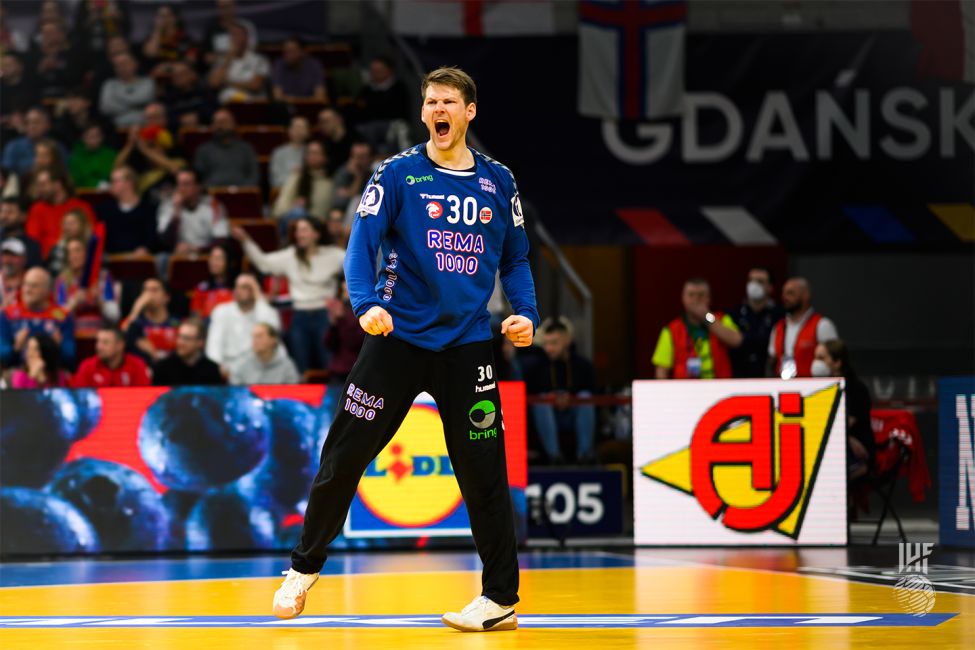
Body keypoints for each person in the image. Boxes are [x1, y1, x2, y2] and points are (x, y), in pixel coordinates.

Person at [270, 66, 538, 633]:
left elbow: (515, 258)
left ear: (469, 112)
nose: (436, 110)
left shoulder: (499, 182)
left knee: (484, 472)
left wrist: (526, 313)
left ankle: (500, 599)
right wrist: (366, 303)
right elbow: (359, 247)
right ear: (423, 113)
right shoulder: (395, 175)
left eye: (447, 102)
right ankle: (303, 569)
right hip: (396, 339)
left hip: (468, 345)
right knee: (344, 455)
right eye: (428, 102)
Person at [233, 216, 343, 374]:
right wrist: (246, 241)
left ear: (317, 234)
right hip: (299, 316)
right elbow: (264, 264)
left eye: (304, 229)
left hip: (325, 315)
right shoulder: (290, 256)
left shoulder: (335, 255)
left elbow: (358, 265)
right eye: (297, 230)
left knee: (330, 365)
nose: (298, 234)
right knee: (300, 368)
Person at [524, 319, 597, 465]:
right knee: (542, 400)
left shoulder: (583, 366)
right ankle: (554, 456)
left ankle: (583, 456)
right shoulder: (535, 368)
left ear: (567, 341)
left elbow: (595, 397)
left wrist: (571, 399)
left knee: (585, 396)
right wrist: (551, 399)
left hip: (573, 416)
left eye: (554, 343)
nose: (549, 348)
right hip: (547, 419)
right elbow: (526, 401)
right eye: (546, 343)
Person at [652, 278, 743, 379]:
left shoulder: (721, 319)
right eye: (691, 295)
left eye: (701, 295)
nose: (695, 300)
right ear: (683, 298)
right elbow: (661, 370)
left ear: (709, 298)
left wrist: (707, 317)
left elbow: (737, 340)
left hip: (720, 389)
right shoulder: (671, 329)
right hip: (685, 391)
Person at [813, 339, 875, 482]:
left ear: (837, 363)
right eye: (815, 357)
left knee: (820, 476)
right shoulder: (818, 389)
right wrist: (849, 439)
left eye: (821, 358)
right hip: (834, 448)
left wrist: (848, 438)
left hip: (856, 455)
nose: (815, 362)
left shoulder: (856, 389)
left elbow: (840, 427)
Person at [205, 272, 281, 375]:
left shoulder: (264, 311)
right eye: (236, 286)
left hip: (260, 367)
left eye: (244, 287)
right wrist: (217, 367)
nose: (238, 290)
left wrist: (259, 296)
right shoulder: (221, 311)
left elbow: (273, 328)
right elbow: (214, 345)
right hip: (229, 367)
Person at [0, 266, 74, 367]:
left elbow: (71, 356)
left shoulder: (61, 316)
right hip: (17, 374)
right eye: (25, 284)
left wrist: (58, 346)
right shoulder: (9, 314)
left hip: (52, 374)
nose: (27, 290)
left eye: (34, 285)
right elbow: (1, 352)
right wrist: (15, 347)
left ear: (47, 289)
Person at [766, 277, 839, 379]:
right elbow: (771, 363)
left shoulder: (821, 325)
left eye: (790, 293)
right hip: (783, 389)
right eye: (783, 293)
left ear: (806, 296)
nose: (784, 297)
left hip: (813, 389)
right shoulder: (779, 327)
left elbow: (835, 363)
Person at [113, 105, 187, 198]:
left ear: (164, 119)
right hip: (143, 201)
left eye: (154, 117)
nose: (151, 122)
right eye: (148, 118)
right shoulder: (140, 144)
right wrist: (129, 145)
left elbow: (178, 169)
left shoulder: (172, 141)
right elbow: (117, 170)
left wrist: (144, 149)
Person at [54, 236, 119, 336]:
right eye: (70, 252)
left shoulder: (103, 277)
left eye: (77, 251)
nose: (73, 256)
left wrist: (99, 300)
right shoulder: (62, 281)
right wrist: (74, 303)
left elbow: (115, 316)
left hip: (100, 336)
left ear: (87, 253)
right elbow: (57, 316)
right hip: (73, 338)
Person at [727, 265, 785, 378]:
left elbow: (773, 344)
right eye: (751, 280)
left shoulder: (780, 314)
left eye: (760, 281)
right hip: (738, 379)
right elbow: (731, 340)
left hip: (768, 379)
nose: (754, 285)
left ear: (770, 288)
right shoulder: (733, 314)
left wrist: (743, 340)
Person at [25, 168, 96, 258]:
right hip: (48, 262)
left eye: (43, 185)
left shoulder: (81, 207)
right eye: (38, 185)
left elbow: (92, 236)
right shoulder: (36, 209)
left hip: (81, 259)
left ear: (57, 184)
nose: (39, 189)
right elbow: (32, 242)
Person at [156, 168, 229, 253]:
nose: (181, 189)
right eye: (178, 184)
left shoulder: (213, 206)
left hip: (206, 256)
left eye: (186, 184)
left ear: (198, 187)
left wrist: (195, 249)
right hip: (177, 255)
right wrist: (176, 211)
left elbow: (222, 241)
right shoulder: (167, 206)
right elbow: (164, 242)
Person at [323, 274, 364, 414]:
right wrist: (333, 324)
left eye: (348, 289)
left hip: (359, 372)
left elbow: (354, 341)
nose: (345, 293)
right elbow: (328, 344)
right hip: (339, 372)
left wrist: (340, 320)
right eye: (343, 290)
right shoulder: (341, 311)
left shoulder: (366, 312)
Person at [273, 140, 333, 234]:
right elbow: (278, 210)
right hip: (297, 228)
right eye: (308, 152)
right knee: (299, 213)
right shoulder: (297, 177)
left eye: (315, 153)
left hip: (321, 229)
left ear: (325, 158)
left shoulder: (330, 182)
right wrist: (293, 207)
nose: (311, 156)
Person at [95, 166, 156, 254]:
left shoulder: (148, 209)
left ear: (129, 182)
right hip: (112, 261)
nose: (111, 185)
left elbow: (151, 237)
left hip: (139, 261)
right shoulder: (104, 210)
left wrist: (145, 248)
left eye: (115, 181)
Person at [122, 277, 182, 366]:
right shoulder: (136, 323)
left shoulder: (178, 323)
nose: (148, 294)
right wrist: (137, 308)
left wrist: (153, 353)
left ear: (167, 297)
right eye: (145, 290)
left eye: (154, 290)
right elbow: (120, 339)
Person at [193, 109, 259, 188]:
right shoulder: (203, 150)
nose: (219, 126)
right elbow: (198, 179)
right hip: (212, 195)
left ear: (233, 124)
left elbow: (254, 175)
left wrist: (243, 191)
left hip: (242, 195)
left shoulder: (246, 148)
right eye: (215, 122)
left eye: (223, 122)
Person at [207, 22, 268, 105]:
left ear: (247, 37)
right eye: (232, 34)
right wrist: (228, 58)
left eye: (238, 34)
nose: (234, 38)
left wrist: (228, 82)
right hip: (226, 104)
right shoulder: (223, 59)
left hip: (250, 103)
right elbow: (214, 83)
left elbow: (256, 85)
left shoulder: (258, 59)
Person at [71, 325, 151, 387]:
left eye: (105, 342)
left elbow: (144, 396)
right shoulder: (87, 366)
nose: (98, 346)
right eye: (98, 341)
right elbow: (80, 399)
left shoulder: (137, 365)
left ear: (120, 345)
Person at [152, 319, 224, 386]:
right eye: (179, 336)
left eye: (186, 338)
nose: (180, 342)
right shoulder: (163, 368)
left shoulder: (211, 369)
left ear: (200, 342)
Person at [229, 322, 299, 385]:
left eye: (259, 336)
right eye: (253, 336)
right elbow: (234, 393)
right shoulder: (241, 365)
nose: (255, 340)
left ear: (273, 340)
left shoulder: (286, 366)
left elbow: (292, 393)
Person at [1, 107, 64, 176]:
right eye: (28, 122)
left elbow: (64, 175)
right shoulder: (13, 146)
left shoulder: (57, 147)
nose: (31, 126)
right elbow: (4, 176)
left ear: (48, 125)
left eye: (36, 122)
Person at [99, 51, 155, 129]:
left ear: (135, 64)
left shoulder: (147, 82)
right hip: (115, 129)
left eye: (123, 64)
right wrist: (138, 107)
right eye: (117, 65)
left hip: (145, 127)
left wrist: (118, 99)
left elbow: (145, 99)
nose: (120, 68)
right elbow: (106, 108)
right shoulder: (109, 84)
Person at [26, 21, 78, 99]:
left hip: (66, 96)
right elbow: (28, 82)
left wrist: (58, 67)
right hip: (41, 97)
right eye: (44, 33)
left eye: (51, 32)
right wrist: (41, 69)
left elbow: (76, 79)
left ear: (60, 34)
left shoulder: (70, 53)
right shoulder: (33, 55)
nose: (47, 35)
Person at [142, 4, 197, 77]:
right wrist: (157, 31)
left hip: (178, 75)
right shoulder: (152, 37)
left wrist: (169, 67)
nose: (164, 19)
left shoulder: (185, 38)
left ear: (175, 17)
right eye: (160, 16)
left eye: (167, 15)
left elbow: (191, 61)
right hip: (155, 76)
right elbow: (150, 54)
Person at [73, 0, 131, 68]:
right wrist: (91, 20)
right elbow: (78, 29)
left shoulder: (119, 2)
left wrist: (117, 16)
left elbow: (128, 27)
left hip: (115, 46)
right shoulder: (85, 3)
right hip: (92, 50)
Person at [161, 60, 215, 130]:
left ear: (192, 74)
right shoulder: (168, 98)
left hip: (204, 130)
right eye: (174, 75)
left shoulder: (205, 92)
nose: (177, 78)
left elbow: (214, 111)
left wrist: (198, 116)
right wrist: (180, 119)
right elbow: (166, 120)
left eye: (181, 74)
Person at [201, 0, 258, 68]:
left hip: (244, 65)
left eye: (227, 6)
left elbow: (252, 48)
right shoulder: (212, 29)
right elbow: (207, 57)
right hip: (220, 67)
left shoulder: (245, 26)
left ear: (234, 6)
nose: (224, 10)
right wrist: (223, 56)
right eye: (221, 7)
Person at [189, 242, 237, 319]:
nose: (214, 262)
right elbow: (195, 316)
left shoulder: (237, 288)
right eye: (212, 258)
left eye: (218, 258)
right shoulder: (202, 288)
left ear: (230, 262)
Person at [271, 37, 326, 103]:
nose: (287, 54)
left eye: (291, 51)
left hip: (309, 108)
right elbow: (277, 97)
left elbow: (320, 97)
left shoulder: (314, 65)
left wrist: (295, 100)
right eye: (285, 51)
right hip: (286, 108)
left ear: (303, 51)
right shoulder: (279, 65)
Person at [69, 123, 117, 189]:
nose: (95, 140)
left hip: (109, 192)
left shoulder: (111, 154)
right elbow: (76, 182)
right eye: (91, 137)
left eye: (97, 136)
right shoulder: (75, 159)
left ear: (102, 137)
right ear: (83, 138)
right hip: (84, 194)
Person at [46, 208, 92, 277]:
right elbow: (54, 275)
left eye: (72, 223)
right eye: (65, 223)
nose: (67, 227)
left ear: (83, 224)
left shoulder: (94, 246)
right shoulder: (57, 249)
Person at [0, 198, 42, 269]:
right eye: (2, 211)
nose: (4, 216)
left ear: (23, 216)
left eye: (10, 212)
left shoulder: (32, 246)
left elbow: (34, 273)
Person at [270, 116, 309, 190]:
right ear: (289, 130)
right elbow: (274, 181)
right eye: (296, 127)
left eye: (302, 128)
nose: (299, 131)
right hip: (283, 191)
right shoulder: (278, 152)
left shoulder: (312, 151)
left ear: (308, 131)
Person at [332, 141, 371, 214]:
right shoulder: (343, 173)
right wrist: (358, 178)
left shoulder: (374, 171)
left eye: (362, 157)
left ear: (369, 158)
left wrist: (348, 192)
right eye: (355, 156)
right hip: (345, 214)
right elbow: (341, 201)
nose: (358, 161)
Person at [317, 107, 353, 175]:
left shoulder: (356, 141)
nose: (321, 126)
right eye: (320, 122)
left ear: (339, 119)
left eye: (325, 121)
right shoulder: (324, 145)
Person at [0, 236, 26, 306]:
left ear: (24, 259)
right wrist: (5, 307)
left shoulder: (31, 281)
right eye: (5, 255)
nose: (8, 260)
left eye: (13, 256)